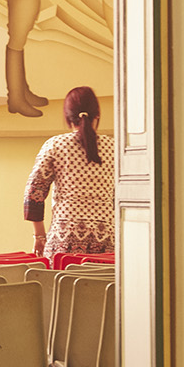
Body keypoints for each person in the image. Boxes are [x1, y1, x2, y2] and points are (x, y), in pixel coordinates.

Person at [22, 85, 115, 261]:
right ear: (97, 115)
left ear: (68, 117)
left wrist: (39, 236)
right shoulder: (114, 147)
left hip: (62, 240)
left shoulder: (54, 145)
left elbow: (34, 192)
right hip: (107, 241)